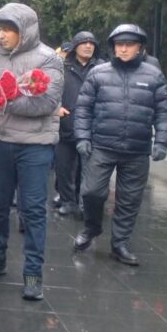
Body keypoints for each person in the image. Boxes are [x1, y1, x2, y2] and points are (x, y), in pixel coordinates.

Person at [0, 3, 63, 301]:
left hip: (35, 145)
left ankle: (33, 274)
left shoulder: (48, 58)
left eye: (8, 29)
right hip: (0, 141)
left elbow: (46, 103)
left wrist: (1, 100)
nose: (2, 35)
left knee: (33, 210)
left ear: (25, 30)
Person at [73, 24, 167, 266]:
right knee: (91, 192)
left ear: (140, 47)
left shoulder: (154, 76)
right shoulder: (98, 73)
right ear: (113, 47)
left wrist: (162, 141)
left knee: (129, 200)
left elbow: (163, 113)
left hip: (136, 150)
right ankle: (92, 227)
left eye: (129, 44)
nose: (124, 49)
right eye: (120, 44)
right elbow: (83, 108)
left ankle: (120, 244)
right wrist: (83, 137)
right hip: (102, 146)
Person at [54, 31, 99, 216]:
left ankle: (83, 203)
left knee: (87, 170)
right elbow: (52, 91)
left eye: (91, 43)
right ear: (75, 46)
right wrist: (56, 107)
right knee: (63, 168)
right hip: (66, 125)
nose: (88, 46)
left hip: (91, 129)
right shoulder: (62, 67)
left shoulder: (101, 68)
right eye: (84, 42)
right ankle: (67, 201)